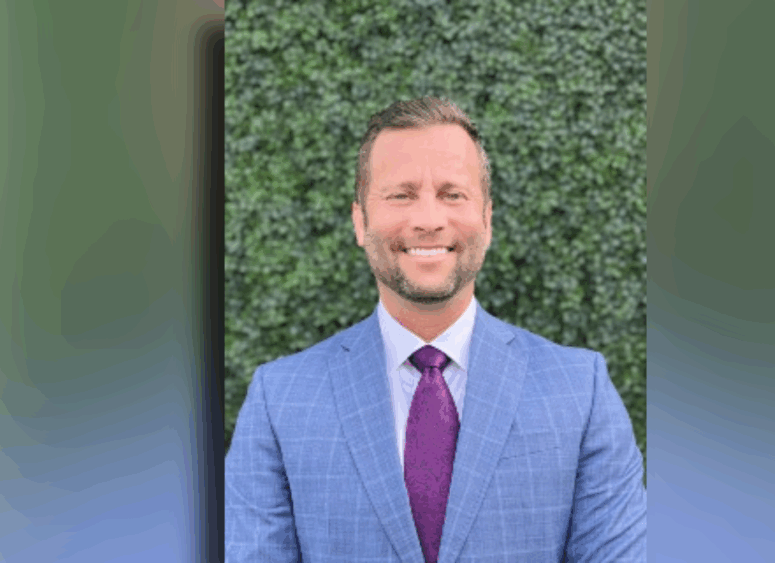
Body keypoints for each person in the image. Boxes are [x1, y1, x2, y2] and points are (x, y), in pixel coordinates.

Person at [225, 96, 646, 562]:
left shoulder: (580, 392)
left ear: (486, 219)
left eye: (452, 194)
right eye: (400, 194)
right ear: (360, 221)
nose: (428, 220)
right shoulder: (279, 399)